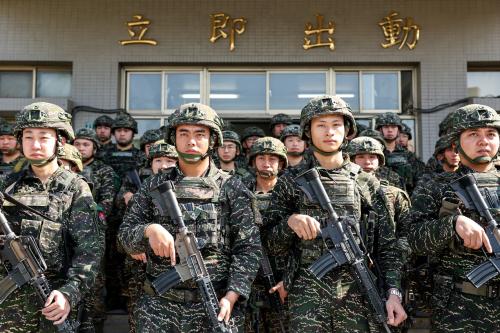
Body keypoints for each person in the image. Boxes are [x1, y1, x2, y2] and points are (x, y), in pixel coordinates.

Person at [263, 96, 406, 332]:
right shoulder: (290, 181)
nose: (329, 132)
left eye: (336, 125)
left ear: (347, 130)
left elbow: (387, 247)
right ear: (308, 131)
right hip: (306, 296)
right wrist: (290, 222)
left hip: (358, 294)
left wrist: (393, 293)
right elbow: (269, 243)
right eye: (321, 125)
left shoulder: (366, 182)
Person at [118, 103, 262, 332]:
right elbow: (124, 238)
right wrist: (149, 230)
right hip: (160, 306)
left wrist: (233, 295)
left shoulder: (232, 188)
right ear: (173, 138)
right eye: (183, 134)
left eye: (200, 134)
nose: (191, 141)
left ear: (213, 140)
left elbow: (249, 248)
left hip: (216, 305)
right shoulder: (153, 185)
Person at [0, 102, 101, 332]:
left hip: (54, 306)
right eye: (28, 137)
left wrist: (69, 293)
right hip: (9, 312)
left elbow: (90, 253)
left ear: (59, 141)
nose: (35, 144)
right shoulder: (6, 185)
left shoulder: (75, 188)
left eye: (44, 137)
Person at [404, 104, 500, 332]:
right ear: (455, 143)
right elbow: (412, 239)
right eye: (473, 134)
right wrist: (452, 224)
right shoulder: (434, 186)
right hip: (458, 308)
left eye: (491, 134)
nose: (483, 141)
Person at [239, 136, 290, 332]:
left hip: (281, 280)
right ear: (253, 161)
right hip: (247, 280)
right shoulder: (240, 192)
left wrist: (289, 278)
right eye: (261, 158)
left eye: (273, 159)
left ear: (281, 163)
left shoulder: (292, 194)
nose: (267, 164)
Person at [73, 127, 117, 333]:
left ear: (95, 148)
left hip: (95, 232)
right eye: (77, 144)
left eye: (86, 144)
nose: (81, 148)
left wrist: (87, 215)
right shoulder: (67, 169)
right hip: (67, 234)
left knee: (95, 279)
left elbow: (107, 202)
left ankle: (96, 322)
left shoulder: (104, 171)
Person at [375, 112, 424, 194]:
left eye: (393, 127)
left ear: (398, 131)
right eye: (386, 127)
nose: (390, 130)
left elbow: (419, 179)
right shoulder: (374, 154)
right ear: (380, 130)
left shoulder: (408, 155)